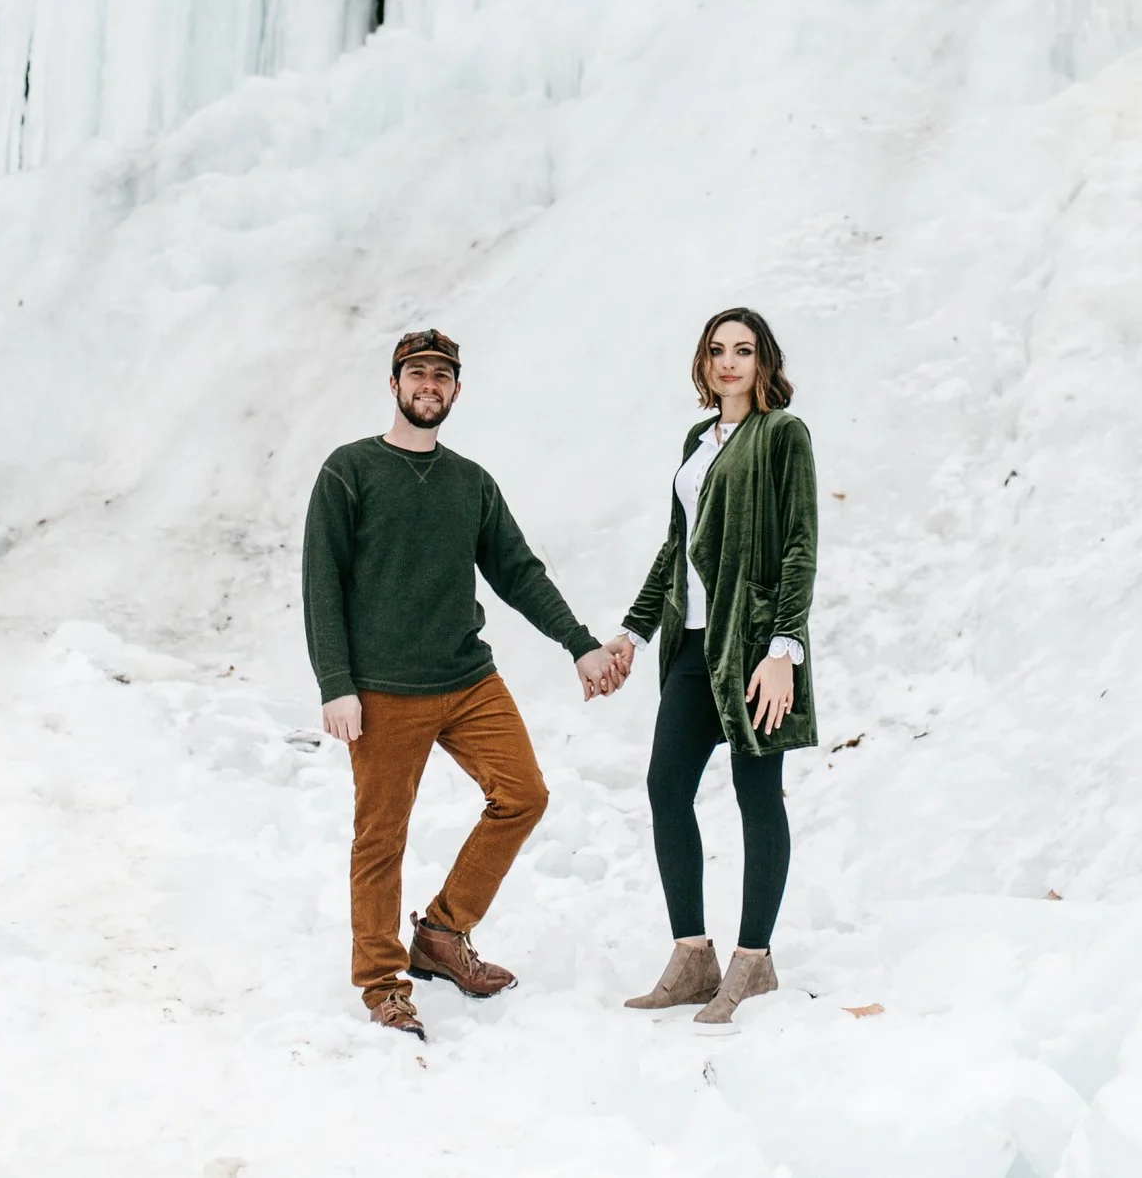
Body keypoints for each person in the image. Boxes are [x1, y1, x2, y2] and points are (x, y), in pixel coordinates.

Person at [303, 328, 626, 1041]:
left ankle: (443, 934)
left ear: (456, 390)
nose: (429, 384)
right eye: (416, 373)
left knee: (523, 794)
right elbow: (321, 582)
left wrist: (579, 642)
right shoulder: (348, 470)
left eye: (442, 375)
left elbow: (517, 570)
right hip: (382, 688)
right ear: (394, 385)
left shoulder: (470, 482)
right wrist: (336, 682)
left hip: (466, 677)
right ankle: (383, 983)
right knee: (380, 837)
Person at [607, 306, 817, 1029]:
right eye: (717, 349)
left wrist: (784, 649)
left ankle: (752, 959)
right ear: (703, 362)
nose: (729, 361)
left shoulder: (782, 434)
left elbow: (798, 543)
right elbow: (677, 547)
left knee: (759, 795)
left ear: (764, 361)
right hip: (692, 646)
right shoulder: (699, 440)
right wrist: (634, 629)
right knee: (667, 785)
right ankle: (692, 954)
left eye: (744, 349)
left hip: (754, 647)